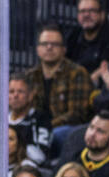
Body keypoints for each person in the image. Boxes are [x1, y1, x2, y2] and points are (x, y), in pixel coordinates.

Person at [23, 23, 93, 154]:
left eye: (55, 44)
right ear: (38, 49)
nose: (49, 47)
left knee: (54, 134)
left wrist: (45, 127)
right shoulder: (30, 76)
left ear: (64, 49)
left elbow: (77, 115)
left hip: (64, 130)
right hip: (37, 130)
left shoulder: (77, 73)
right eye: (44, 44)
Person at [66, 0, 109, 74]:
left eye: (92, 10)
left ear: (102, 14)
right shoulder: (73, 36)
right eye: (82, 11)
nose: (86, 15)